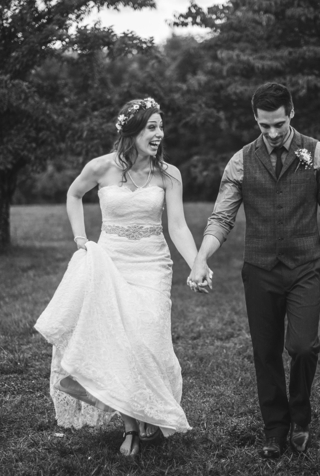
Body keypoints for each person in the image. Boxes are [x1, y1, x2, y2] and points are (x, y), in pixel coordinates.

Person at [35, 98, 205, 457]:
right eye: (151, 127)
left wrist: (196, 263)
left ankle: (148, 410)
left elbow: (176, 225)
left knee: (148, 336)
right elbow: (73, 194)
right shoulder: (101, 167)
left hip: (153, 265)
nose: (159, 134)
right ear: (131, 131)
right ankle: (130, 427)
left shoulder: (169, 174)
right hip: (112, 262)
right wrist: (81, 238)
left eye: (160, 127)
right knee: (122, 340)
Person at [189, 82, 320, 458]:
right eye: (264, 126)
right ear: (255, 120)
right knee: (266, 351)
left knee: (303, 347)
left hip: (307, 266)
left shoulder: (318, 153)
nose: (273, 133)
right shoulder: (241, 160)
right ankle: (275, 429)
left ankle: (301, 418)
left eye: (278, 124)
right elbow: (222, 217)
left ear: (291, 113)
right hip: (260, 269)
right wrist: (200, 258)